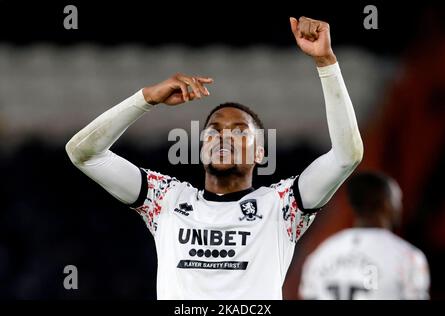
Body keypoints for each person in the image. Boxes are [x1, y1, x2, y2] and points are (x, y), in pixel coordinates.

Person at [65, 16, 363, 299]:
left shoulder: (282, 206)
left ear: (260, 152)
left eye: (239, 131)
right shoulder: (165, 199)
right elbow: (83, 153)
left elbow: (346, 156)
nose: (224, 137)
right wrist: (146, 98)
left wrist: (326, 63)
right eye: (214, 130)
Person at [299, 172, 430, 300]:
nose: (400, 205)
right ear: (386, 203)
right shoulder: (407, 257)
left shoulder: (321, 253)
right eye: (398, 199)